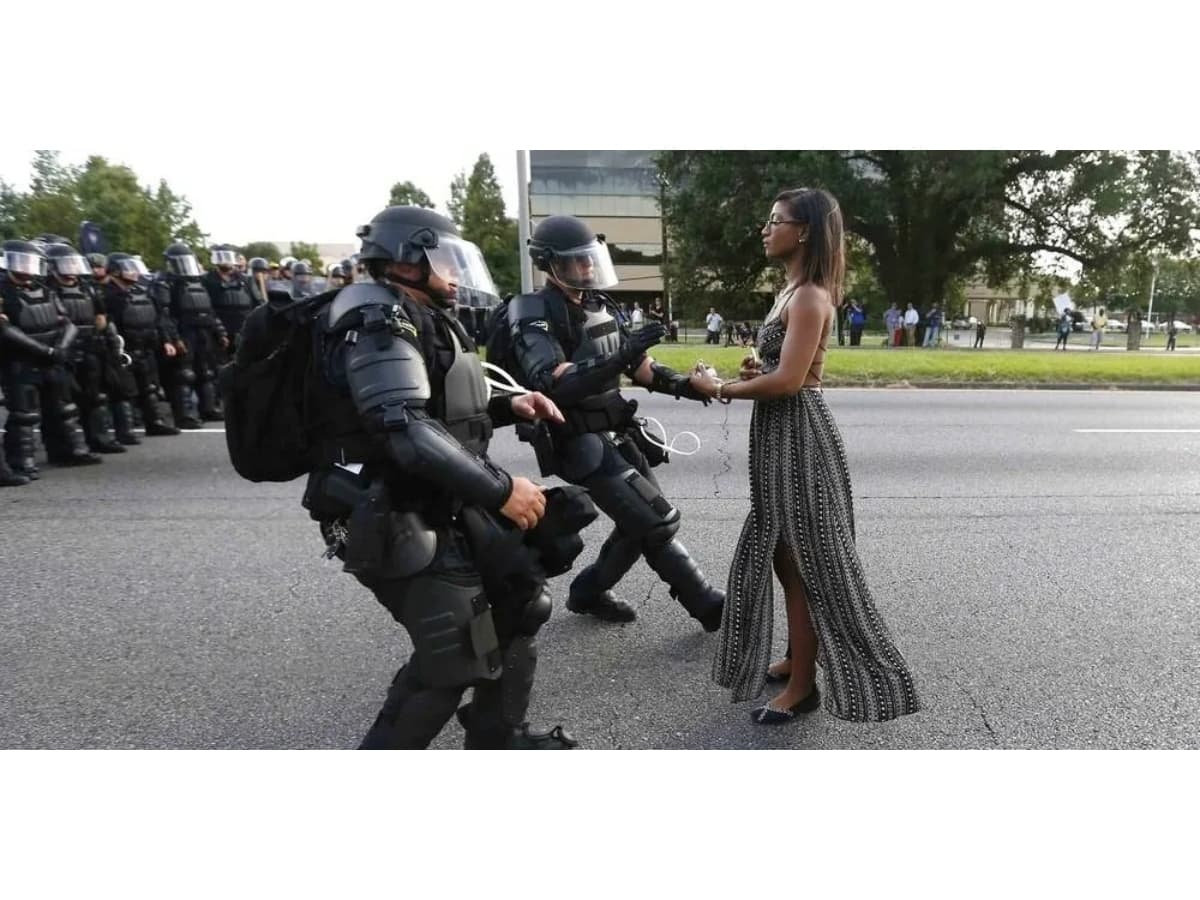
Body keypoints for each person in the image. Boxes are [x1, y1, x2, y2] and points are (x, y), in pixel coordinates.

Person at [293, 206, 580, 749]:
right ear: (406, 259)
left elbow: (437, 407)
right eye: (443, 259)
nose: (454, 272)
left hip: (438, 496)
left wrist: (508, 405)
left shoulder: (417, 311)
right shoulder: (374, 318)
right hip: (388, 509)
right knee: (453, 655)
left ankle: (500, 734)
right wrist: (503, 491)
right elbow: (402, 426)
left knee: (522, 599)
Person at [691, 188, 921, 725]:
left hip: (800, 437)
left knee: (805, 561)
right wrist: (756, 371)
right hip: (779, 433)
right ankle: (799, 657)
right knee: (781, 552)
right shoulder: (790, 291)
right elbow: (779, 371)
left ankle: (804, 686)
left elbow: (792, 382)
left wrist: (719, 387)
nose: (766, 229)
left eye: (777, 221)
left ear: (806, 231)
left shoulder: (811, 295)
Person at [506, 215, 725, 630]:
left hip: (616, 431)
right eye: (577, 261)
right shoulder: (533, 310)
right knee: (656, 521)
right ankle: (709, 606)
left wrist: (687, 386)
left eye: (591, 259)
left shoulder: (599, 305)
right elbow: (552, 381)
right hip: (576, 439)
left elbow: (641, 367)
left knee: (638, 522)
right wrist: (621, 356)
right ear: (550, 264)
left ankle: (588, 592)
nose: (588, 268)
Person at [1, 239, 102, 475]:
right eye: (21, 262)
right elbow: (5, 330)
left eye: (30, 262)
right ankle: (21, 460)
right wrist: (44, 351)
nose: (26, 268)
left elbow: (67, 322)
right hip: (19, 360)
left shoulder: (45, 289)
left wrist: (61, 349)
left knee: (63, 407)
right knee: (24, 414)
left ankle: (67, 451)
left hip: (53, 358)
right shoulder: (3, 291)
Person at [44, 243, 126, 454]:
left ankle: (98, 439)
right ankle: (64, 448)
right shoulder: (47, 289)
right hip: (62, 350)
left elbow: (101, 317)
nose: (71, 269)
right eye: (65, 264)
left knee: (94, 397)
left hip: (90, 347)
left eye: (73, 263)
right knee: (62, 403)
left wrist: (108, 341)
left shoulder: (87, 287)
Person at [103, 253, 181, 437]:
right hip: (123, 350)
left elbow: (158, 318)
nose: (134, 272)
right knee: (123, 391)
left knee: (150, 388)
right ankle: (125, 431)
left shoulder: (142, 291)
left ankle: (155, 423)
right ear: (115, 270)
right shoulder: (107, 295)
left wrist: (166, 341)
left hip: (146, 347)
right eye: (128, 268)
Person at [152, 242, 228, 423]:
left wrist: (220, 332)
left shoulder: (198, 282)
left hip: (204, 331)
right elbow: (164, 314)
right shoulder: (165, 283)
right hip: (184, 331)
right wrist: (173, 338)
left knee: (207, 372)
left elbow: (209, 310)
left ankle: (208, 408)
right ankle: (185, 414)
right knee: (184, 375)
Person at [203, 244, 258, 354]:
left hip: (244, 330)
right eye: (221, 258)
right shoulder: (207, 280)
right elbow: (206, 307)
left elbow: (258, 303)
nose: (225, 261)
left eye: (227, 257)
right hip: (219, 332)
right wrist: (219, 331)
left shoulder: (246, 280)